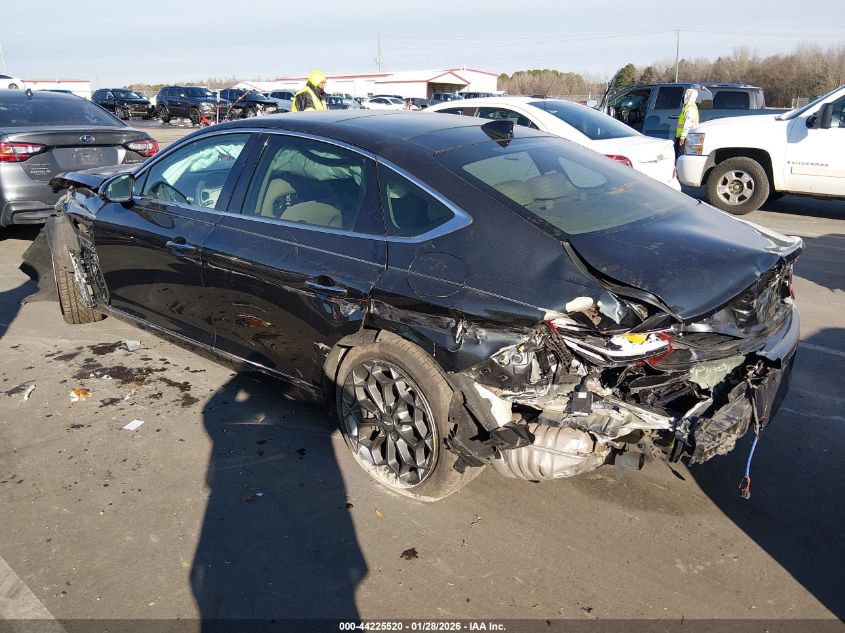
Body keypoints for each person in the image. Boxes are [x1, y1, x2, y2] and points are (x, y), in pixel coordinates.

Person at [675, 88, 699, 157]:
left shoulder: (690, 108)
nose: (683, 97)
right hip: (681, 136)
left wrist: (682, 137)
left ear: (688, 96)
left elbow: (688, 124)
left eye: (685, 95)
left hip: (685, 138)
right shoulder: (687, 107)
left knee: (681, 155)